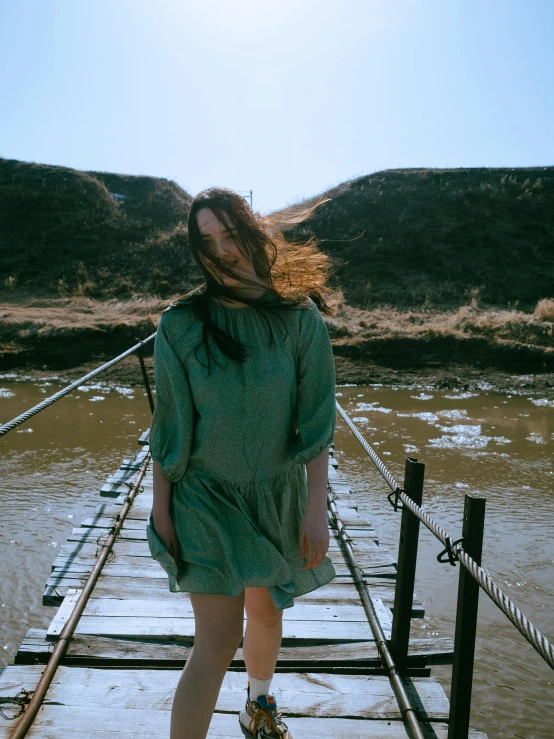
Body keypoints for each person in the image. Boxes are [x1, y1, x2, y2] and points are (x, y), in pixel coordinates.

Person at [146, 187, 338, 739]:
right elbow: (170, 430)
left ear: (252, 234)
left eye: (229, 235)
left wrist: (316, 509)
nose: (220, 250)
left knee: (269, 612)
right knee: (215, 641)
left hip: (276, 496)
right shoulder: (179, 326)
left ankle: (258, 704)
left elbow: (317, 424)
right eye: (207, 241)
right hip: (204, 498)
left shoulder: (300, 322)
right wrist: (162, 514)